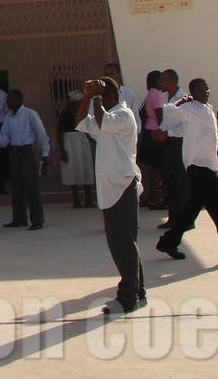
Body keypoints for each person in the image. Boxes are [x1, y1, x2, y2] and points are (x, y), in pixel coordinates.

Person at [155, 78, 218, 265]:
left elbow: (185, 131)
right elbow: (168, 111)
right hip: (198, 167)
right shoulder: (189, 108)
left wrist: (171, 133)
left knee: (192, 208)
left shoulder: (208, 109)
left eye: (206, 89)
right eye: (200, 90)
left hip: (209, 165)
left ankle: (168, 241)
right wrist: (182, 101)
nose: (205, 92)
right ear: (192, 92)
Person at [76, 77, 146, 315]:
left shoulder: (123, 116)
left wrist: (96, 97)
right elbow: (79, 123)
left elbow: (102, 119)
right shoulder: (103, 116)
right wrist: (87, 96)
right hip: (110, 188)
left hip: (123, 185)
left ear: (111, 96)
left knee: (122, 243)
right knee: (125, 242)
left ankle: (128, 297)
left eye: (101, 94)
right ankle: (139, 290)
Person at [0, 89, 50, 230]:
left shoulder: (30, 114)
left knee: (31, 186)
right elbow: (5, 135)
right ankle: (19, 218)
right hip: (14, 153)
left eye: (9, 99)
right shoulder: (9, 117)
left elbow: (42, 135)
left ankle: (37, 220)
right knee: (17, 187)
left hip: (26, 152)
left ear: (18, 100)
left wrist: (45, 154)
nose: (7, 102)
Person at [158, 68, 188, 229]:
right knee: (169, 182)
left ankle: (186, 220)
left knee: (181, 182)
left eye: (163, 80)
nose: (160, 83)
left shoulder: (184, 99)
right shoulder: (164, 97)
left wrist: (167, 133)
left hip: (179, 144)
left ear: (173, 82)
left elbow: (185, 127)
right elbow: (167, 120)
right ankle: (173, 217)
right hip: (167, 144)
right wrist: (159, 131)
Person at [57, 90, 95, 208]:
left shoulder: (84, 112)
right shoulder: (65, 113)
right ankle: (76, 200)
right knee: (72, 170)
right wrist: (62, 150)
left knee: (86, 169)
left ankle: (88, 200)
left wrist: (90, 137)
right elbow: (59, 131)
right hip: (70, 143)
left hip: (82, 142)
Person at [139, 70, 165, 210]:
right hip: (155, 133)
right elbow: (160, 116)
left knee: (152, 167)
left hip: (148, 131)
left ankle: (150, 196)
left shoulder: (150, 94)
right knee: (157, 167)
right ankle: (154, 198)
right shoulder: (157, 95)